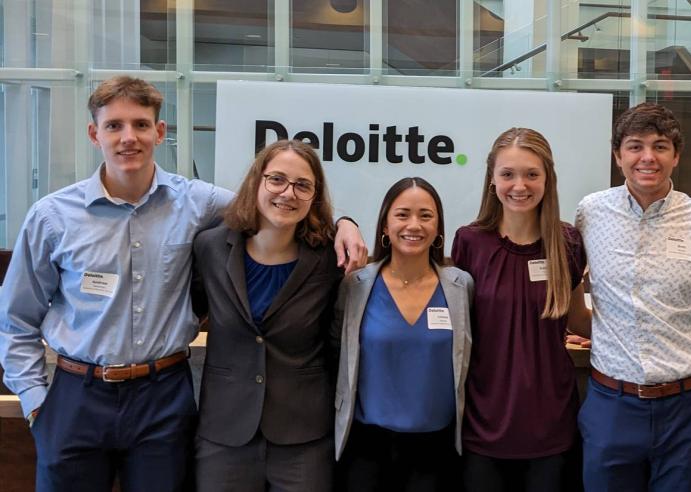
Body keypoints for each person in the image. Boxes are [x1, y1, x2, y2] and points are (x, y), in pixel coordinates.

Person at [0, 76, 366, 491]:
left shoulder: (198, 202)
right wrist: (35, 404)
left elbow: (279, 202)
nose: (128, 138)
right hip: (76, 396)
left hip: (162, 398)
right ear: (94, 133)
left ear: (159, 132)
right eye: (114, 125)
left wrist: (344, 224)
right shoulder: (51, 217)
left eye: (140, 124)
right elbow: (15, 318)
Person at [574, 102, 691, 491]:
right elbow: (568, 284)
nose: (647, 157)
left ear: (676, 156)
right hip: (611, 402)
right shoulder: (590, 214)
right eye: (635, 146)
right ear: (618, 155)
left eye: (660, 146)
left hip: (686, 407)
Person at [192, 139, 342, 491]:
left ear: (314, 196)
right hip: (224, 432)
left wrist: (346, 222)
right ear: (257, 181)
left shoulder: (327, 259)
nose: (288, 193)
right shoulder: (210, 248)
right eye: (277, 179)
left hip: (303, 433)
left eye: (302, 185)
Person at [451, 128, 590, 492]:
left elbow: (576, 318)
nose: (519, 185)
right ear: (491, 179)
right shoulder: (470, 241)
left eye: (531, 174)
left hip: (550, 421)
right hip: (484, 419)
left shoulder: (568, 243)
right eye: (508, 174)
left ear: (548, 178)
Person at [334, 177, 474, 492]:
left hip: (437, 448)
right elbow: (335, 351)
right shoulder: (356, 286)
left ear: (439, 228)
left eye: (425, 215)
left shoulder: (460, 286)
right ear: (385, 225)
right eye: (402, 214)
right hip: (367, 447)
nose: (414, 224)